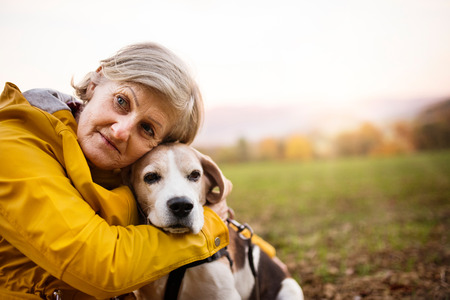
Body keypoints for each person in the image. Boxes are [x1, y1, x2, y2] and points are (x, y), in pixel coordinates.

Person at [0, 42, 230, 299]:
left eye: (147, 129)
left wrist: (261, 254)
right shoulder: (11, 144)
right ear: (95, 83)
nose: (121, 131)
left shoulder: (122, 169)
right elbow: (101, 264)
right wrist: (210, 225)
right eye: (122, 101)